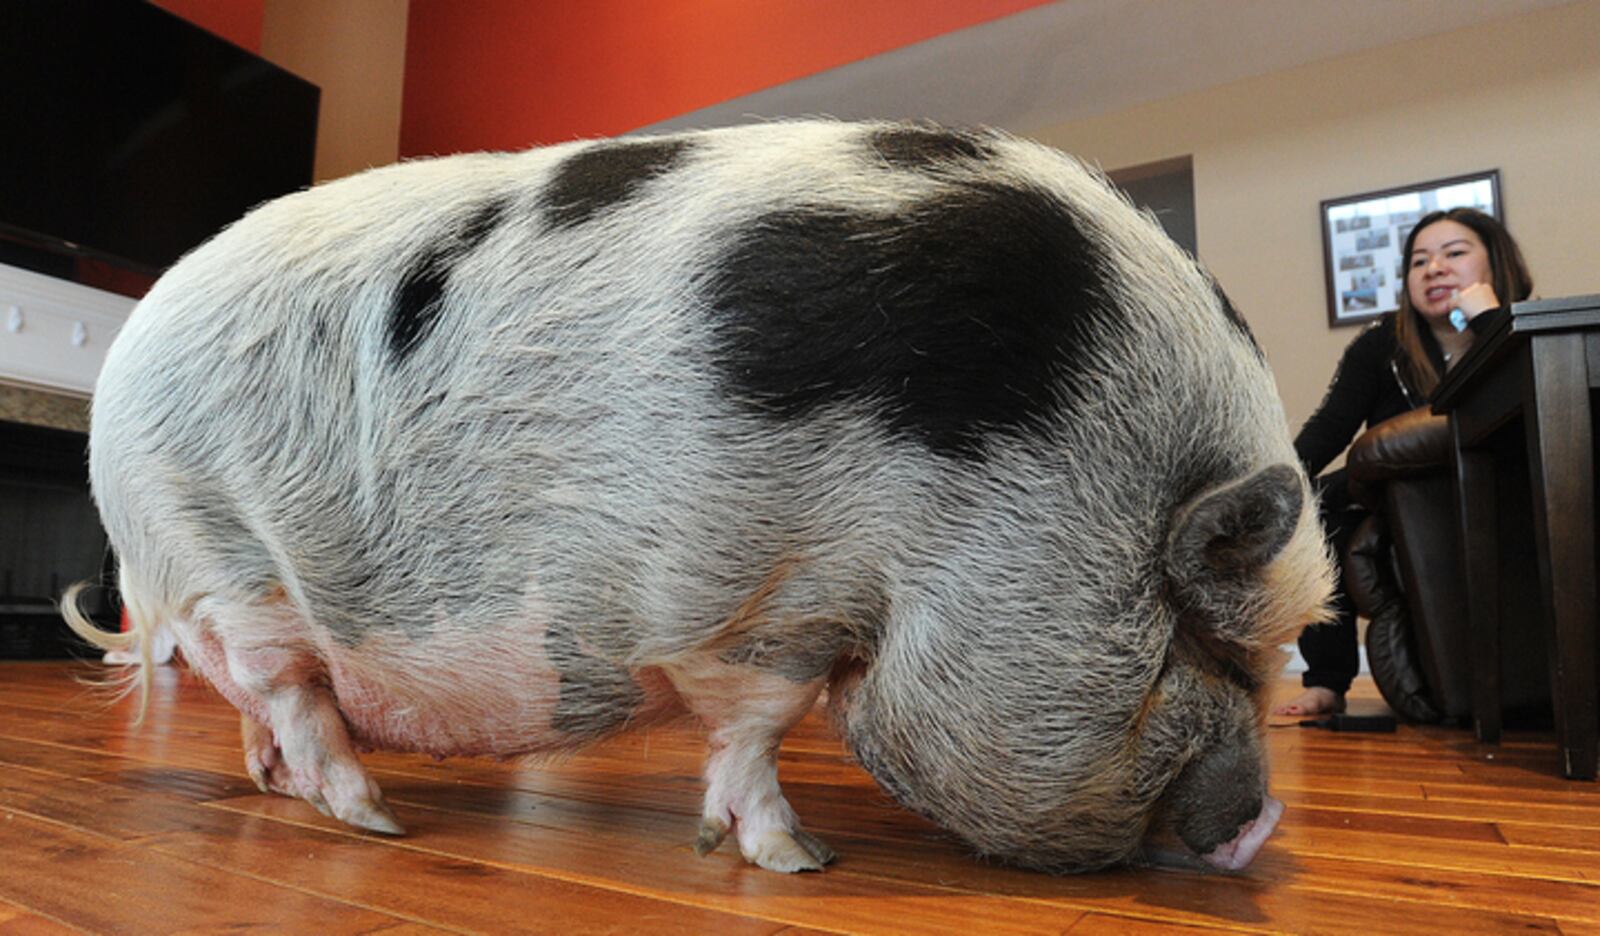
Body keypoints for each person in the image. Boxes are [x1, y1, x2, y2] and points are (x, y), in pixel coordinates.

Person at [1275, 207, 1533, 717]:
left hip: (1507, 490)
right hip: (1402, 504)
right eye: (1419, 261)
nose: (1434, 268)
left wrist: (1489, 322)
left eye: (1454, 254)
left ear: (1496, 261)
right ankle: (1328, 679)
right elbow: (1329, 429)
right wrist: (1275, 489)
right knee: (1320, 505)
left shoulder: (1526, 329)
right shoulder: (1380, 346)